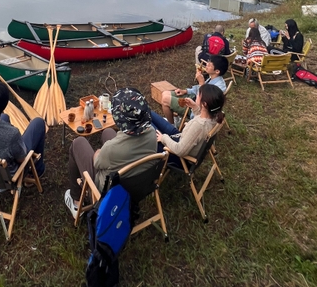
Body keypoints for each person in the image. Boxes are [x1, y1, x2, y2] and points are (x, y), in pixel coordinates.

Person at [64, 88, 156, 219]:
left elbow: (97, 162)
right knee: (108, 132)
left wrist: (99, 152)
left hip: (107, 192)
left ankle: (76, 202)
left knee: (78, 143)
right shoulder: (152, 133)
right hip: (138, 185)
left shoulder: (112, 149)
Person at [152, 85, 225, 166]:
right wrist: (195, 107)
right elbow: (204, 123)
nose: (196, 96)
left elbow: (180, 151)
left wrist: (163, 138)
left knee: (147, 124)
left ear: (204, 104)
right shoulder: (216, 117)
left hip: (178, 157)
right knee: (148, 113)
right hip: (181, 139)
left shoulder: (198, 126)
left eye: (198, 95)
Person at [161, 54, 228, 125]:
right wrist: (185, 91)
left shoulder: (219, 87)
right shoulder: (213, 78)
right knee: (165, 93)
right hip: (194, 98)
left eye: (209, 65)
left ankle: (171, 126)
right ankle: (176, 120)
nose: (206, 64)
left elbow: (204, 103)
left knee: (165, 99)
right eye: (208, 62)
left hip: (197, 109)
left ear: (217, 71)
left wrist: (201, 83)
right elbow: (197, 89)